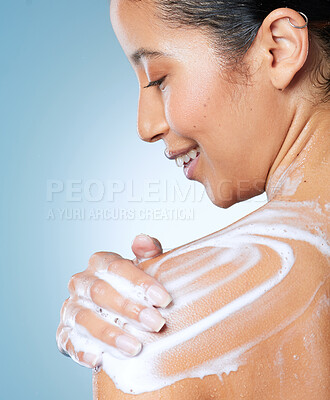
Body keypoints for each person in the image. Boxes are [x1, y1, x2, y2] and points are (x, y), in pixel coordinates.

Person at [56, 0, 330, 398]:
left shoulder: (159, 331)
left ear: (279, 49)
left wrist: (167, 301)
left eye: (158, 79)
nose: (146, 126)